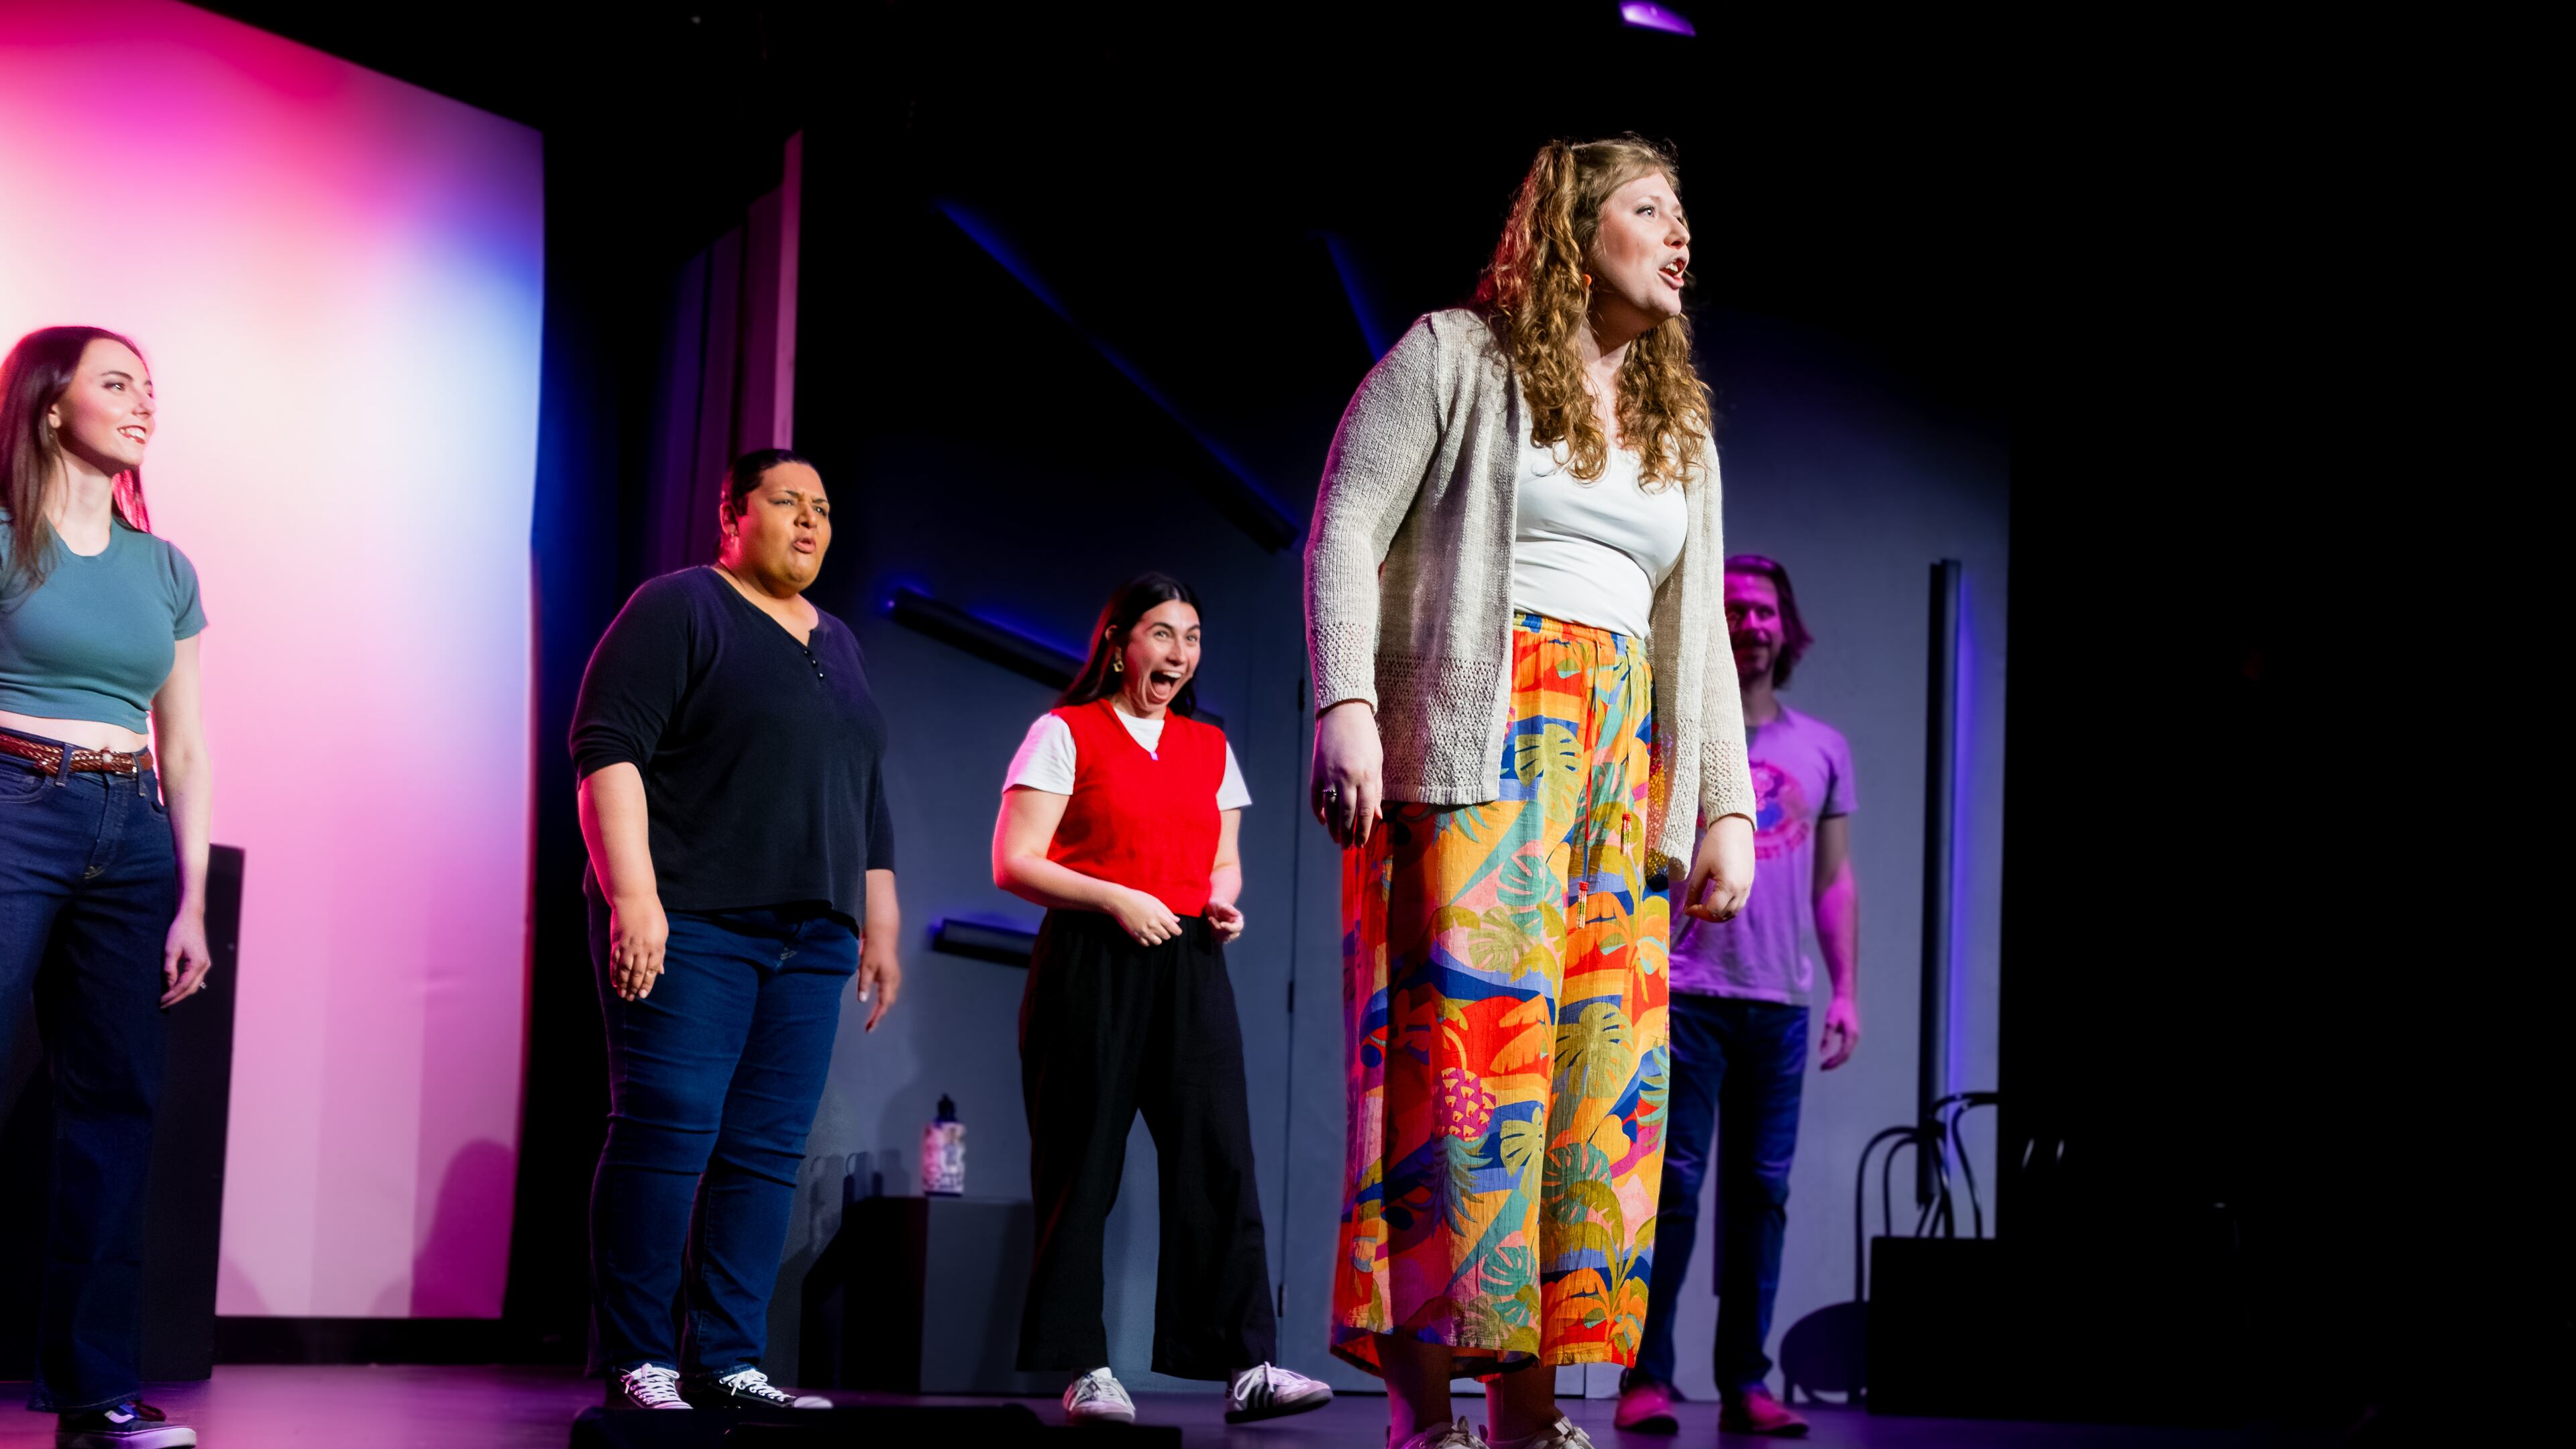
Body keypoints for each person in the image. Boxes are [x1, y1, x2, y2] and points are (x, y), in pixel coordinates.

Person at [1306, 136, 1760, 1449]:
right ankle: (1424, 1404)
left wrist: (1721, 805)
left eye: (1684, 216)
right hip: (1477, 737)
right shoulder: (1458, 356)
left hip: (1616, 771)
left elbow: (1700, 634)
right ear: (1574, 226)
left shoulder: (1683, 429)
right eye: (1649, 211)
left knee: (1594, 1085)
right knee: (1461, 1065)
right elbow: (1346, 524)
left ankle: (1528, 1403)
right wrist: (1346, 706)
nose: (1679, 238)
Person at [569, 447, 903, 1412]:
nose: (810, 521)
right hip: (696, 924)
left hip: (814, 937)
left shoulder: (837, 640)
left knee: (765, 1149)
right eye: (788, 502)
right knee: (667, 1132)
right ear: (733, 514)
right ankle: (640, 1358)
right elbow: (608, 750)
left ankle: (726, 1357)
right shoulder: (680, 607)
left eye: (824, 509)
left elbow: (864, 794)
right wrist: (634, 896)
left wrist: (876, 920)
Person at [991, 572, 1332, 1428]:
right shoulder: (1063, 733)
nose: (1179, 653)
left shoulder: (1209, 746)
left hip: (1188, 960)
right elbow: (1015, 860)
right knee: (1083, 1164)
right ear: (1118, 643)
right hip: (1090, 962)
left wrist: (1221, 897)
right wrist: (1114, 897)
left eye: (1192, 638)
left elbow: (1224, 858)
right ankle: (1084, 1367)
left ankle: (1247, 1364)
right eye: (1161, 634)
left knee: (1219, 1159)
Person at [0, 326, 212, 1449]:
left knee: (116, 1113)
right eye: (116, 382)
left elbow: (186, 744)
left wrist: (192, 898)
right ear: (48, 406)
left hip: (130, 830)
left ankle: (95, 1395)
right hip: (12, 803)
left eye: (150, 386)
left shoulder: (165, 567)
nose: (143, 403)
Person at [1617, 555, 1860, 1438]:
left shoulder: (1822, 748)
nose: (1750, 625)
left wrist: (1847, 994)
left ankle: (1745, 1383)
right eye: (1733, 611)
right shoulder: (1669, 737)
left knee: (1761, 1193)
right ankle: (1647, 1378)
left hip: (1779, 1005)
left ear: (1783, 629)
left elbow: (1835, 884)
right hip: (1685, 993)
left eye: (1763, 612)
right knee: (1672, 1188)